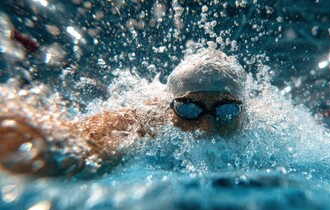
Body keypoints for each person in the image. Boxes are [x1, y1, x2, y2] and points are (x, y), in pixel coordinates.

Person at [0, 48, 248, 177]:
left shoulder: (262, 126)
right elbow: (72, 148)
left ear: (243, 112)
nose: (206, 127)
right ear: (170, 107)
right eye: (188, 109)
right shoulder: (146, 120)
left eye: (226, 111)